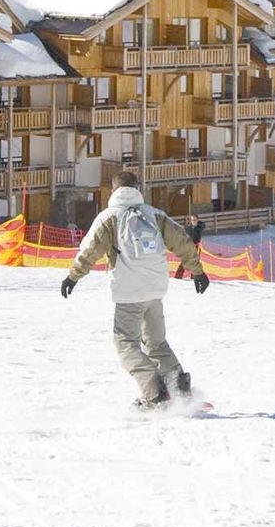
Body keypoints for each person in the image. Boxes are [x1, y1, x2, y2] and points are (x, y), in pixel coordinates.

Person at [60, 172, 209, 410]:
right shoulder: (154, 214)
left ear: (114, 191)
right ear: (137, 189)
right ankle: (180, 388)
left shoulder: (110, 217)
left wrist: (73, 276)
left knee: (125, 343)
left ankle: (154, 394)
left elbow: (90, 250)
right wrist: (198, 272)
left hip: (128, 294)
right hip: (156, 289)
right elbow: (182, 241)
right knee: (156, 342)